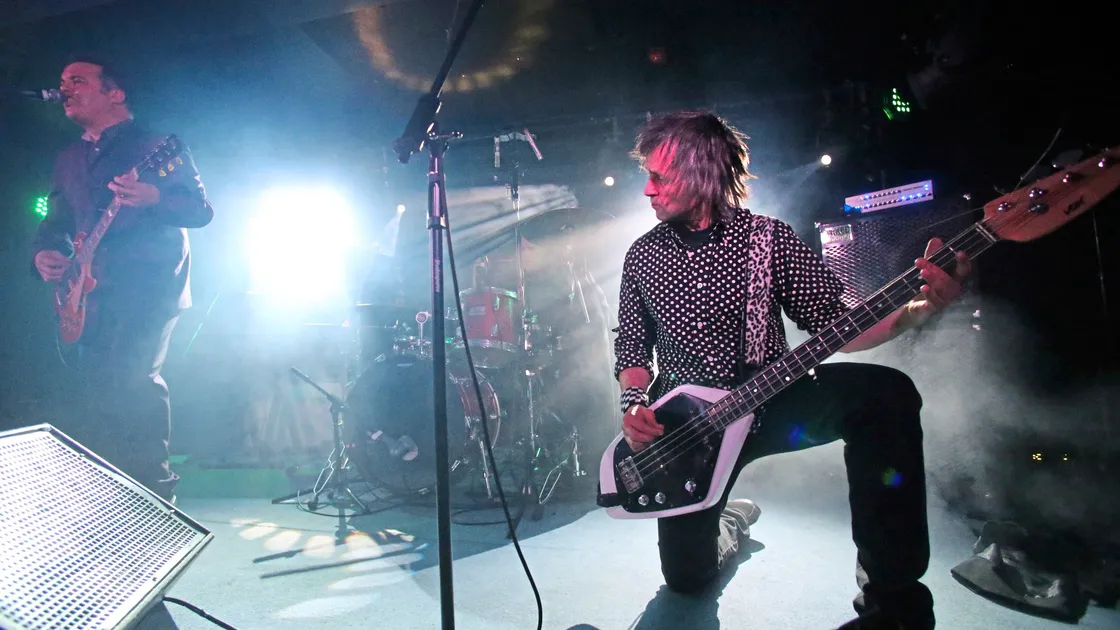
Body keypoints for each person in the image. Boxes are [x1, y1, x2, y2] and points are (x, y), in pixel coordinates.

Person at [613, 111, 971, 629]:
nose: (647, 189)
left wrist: (923, 308)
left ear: (702, 172)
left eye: (659, 176)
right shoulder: (642, 256)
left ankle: (894, 605)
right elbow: (632, 352)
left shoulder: (768, 239)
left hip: (772, 398)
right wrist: (635, 406)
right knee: (686, 579)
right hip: (691, 426)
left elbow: (843, 327)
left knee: (886, 393)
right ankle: (729, 521)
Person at [31, 56, 214, 501]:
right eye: (61, 81)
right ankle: (107, 494)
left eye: (78, 81)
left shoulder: (156, 146)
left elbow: (199, 211)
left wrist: (155, 196)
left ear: (115, 93)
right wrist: (46, 251)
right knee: (95, 387)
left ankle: (154, 494)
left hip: (148, 286)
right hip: (89, 291)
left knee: (133, 382)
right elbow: (55, 218)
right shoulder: (69, 157)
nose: (65, 89)